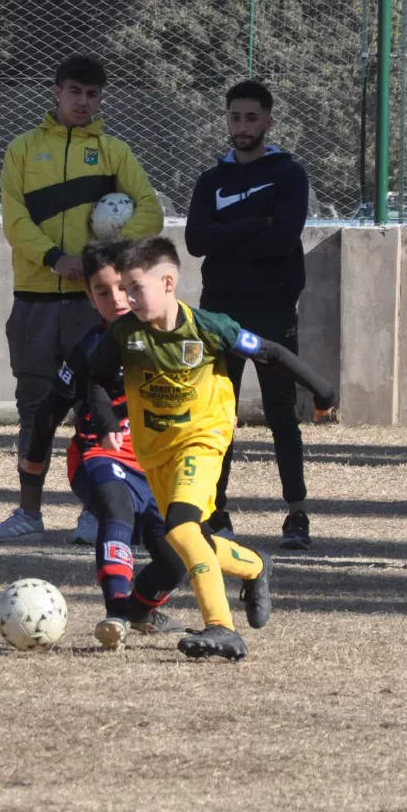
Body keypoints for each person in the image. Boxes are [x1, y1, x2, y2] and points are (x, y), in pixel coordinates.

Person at [88, 237, 336, 660]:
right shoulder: (125, 335)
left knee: (182, 531)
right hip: (155, 453)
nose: (126, 298)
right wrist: (107, 422)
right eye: (123, 289)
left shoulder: (207, 326)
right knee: (192, 540)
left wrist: (323, 391)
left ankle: (221, 627)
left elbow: (271, 353)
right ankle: (255, 566)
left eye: (134, 287)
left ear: (168, 282)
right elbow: (93, 379)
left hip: (202, 441)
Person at [0, 54, 164, 545]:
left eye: (91, 95)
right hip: (35, 296)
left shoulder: (114, 152)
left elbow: (150, 209)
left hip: (94, 306)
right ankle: (29, 511)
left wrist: (98, 261)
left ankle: (97, 509)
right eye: (74, 92)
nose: (82, 102)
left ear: (100, 99)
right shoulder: (23, 150)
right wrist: (53, 258)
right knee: (35, 406)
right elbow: (13, 219)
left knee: (101, 406)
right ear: (56, 92)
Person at [20, 241, 188, 650]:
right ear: (89, 297)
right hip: (99, 456)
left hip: (155, 465)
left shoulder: (178, 338)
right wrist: (31, 495)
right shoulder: (88, 351)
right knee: (117, 506)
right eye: (102, 291)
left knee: (176, 558)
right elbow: (47, 415)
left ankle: (138, 610)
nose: (117, 299)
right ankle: (116, 611)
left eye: (124, 287)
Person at [185, 80, 317, 549]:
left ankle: (296, 515)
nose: (242, 127)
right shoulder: (210, 180)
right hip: (221, 313)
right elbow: (196, 241)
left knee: (283, 414)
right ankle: (215, 513)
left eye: (251, 118)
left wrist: (229, 233)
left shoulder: (289, 174)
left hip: (274, 308)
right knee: (218, 416)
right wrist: (251, 224)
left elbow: (284, 239)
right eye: (235, 117)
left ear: (268, 122)